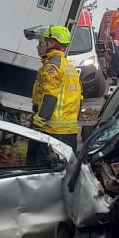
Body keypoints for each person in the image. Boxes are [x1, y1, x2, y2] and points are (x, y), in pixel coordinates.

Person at [27, 25, 82, 165]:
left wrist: (38, 124)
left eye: (41, 42)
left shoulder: (52, 67)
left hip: (51, 132)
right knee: (61, 174)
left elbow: (50, 97)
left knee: (38, 174)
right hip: (69, 133)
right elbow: (79, 100)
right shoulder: (70, 67)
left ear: (51, 43)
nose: (38, 47)